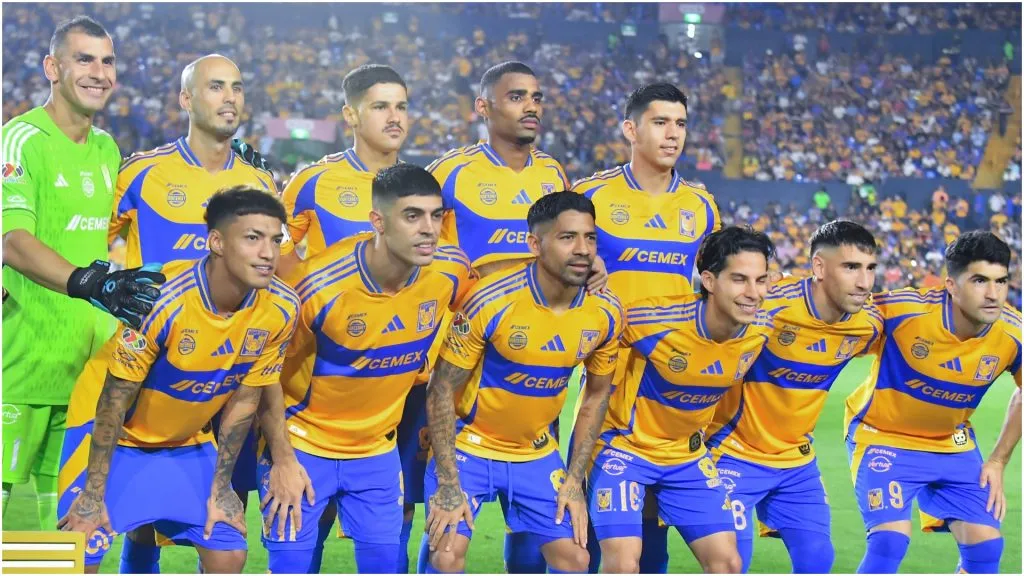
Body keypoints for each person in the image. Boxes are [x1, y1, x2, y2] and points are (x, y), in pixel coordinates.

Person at [56, 186, 299, 573]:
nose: (269, 253)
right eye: (253, 238)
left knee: (229, 553)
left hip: (184, 438)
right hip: (109, 432)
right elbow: (113, 402)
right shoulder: (163, 300)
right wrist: (91, 494)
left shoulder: (283, 308)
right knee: (75, 553)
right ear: (216, 242)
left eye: (275, 239)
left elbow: (245, 401)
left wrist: (222, 488)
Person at [107, 52, 280, 573]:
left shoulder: (260, 183)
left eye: (237, 87)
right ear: (186, 99)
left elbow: (269, 274)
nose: (229, 98)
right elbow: (92, 245)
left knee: (224, 534)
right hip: (138, 372)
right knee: (123, 524)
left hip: (219, 382)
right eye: (215, 87)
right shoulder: (143, 172)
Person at [260, 164, 471, 574]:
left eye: (436, 215)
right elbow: (266, 377)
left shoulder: (450, 269)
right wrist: (282, 460)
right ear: (377, 220)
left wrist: (583, 283)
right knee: (289, 566)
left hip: (376, 451)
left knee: (386, 564)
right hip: (304, 447)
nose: (429, 228)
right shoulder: (317, 287)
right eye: (412, 216)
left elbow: (484, 306)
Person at [2, 15, 164, 528]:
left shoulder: (106, 149)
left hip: (83, 376)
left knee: (59, 537)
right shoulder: (22, 139)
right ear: (53, 67)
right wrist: (89, 282)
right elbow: (11, 240)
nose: (99, 72)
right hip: (19, 370)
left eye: (107, 60)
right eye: (84, 59)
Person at [421, 192, 624, 574]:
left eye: (590, 238)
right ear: (535, 244)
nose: (582, 250)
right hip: (470, 445)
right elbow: (441, 388)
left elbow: (596, 396)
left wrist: (574, 481)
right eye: (567, 238)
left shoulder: (607, 312)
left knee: (577, 559)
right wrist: (448, 483)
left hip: (535, 452)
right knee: (446, 555)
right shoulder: (492, 300)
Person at [571, 81, 721, 574]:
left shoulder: (701, 207)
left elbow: (709, 289)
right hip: (606, 376)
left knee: (652, 518)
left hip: (670, 380)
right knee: (589, 530)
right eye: (660, 122)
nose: (673, 133)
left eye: (680, 123)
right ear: (631, 129)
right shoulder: (591, 196)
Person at [587, 226, 775, 574]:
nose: (753, 293)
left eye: (761, 280)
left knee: (728, 564)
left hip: (686, 456)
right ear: (709, 280)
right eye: (739, 279)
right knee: (624, 565)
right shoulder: (654, 320)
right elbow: (594, 328)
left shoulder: (762, 327)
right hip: (626, 449)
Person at [704, 220, 884, 573]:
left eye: (870, 269)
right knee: (729, 564)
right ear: (818, 267)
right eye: (850, 267)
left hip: (796, 461)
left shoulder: (869, 323)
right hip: (733, 453)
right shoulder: (769, 305)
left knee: (818, 559)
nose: (864, 282)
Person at [845, 230, 1022, 574]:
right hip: (884, 436)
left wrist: (998, 460)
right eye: (980, 281)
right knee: (889, 542)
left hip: (952, 443)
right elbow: (839, 329)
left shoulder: (1013, 333)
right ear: (951, 286)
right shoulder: (901, 311)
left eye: (1001, 282)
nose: (993, 294)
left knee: (987, 548)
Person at [277, 64, 409, 278]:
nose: (395, 118)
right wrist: (313, 294)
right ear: (351, 115)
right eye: (380, 107)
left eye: (401, 107)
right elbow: (273, 249)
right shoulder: (312, 181)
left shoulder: (423, 186)